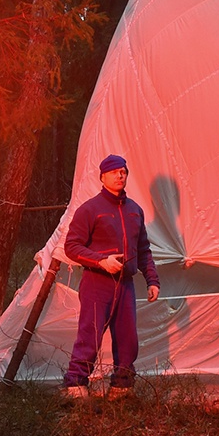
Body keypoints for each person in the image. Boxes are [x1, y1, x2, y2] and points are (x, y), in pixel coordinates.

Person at [61, 154, 160, 400]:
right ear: (102, 177)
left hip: (125, 284)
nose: (120, 176)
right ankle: (75, 385)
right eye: (114, 172)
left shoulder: (134, 210)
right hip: (98, 282)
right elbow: (71, 246)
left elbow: (143, 249)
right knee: (90, 334)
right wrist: (101, 261)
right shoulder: (90, 209)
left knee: (128, 338)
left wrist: (152, 280)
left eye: (123, 172)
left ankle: (122, 387)